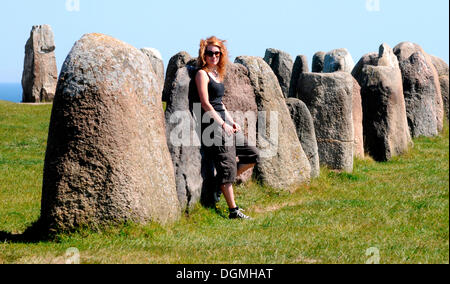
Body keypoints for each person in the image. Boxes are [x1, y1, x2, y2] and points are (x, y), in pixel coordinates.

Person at [195, 36, 260, 220]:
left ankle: (218, 184)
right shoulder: (202, 74)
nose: (213, 56)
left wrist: (231, 121)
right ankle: (233, 211)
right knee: (226, 166)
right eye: (209, 53)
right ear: (204, 54)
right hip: (213, 126)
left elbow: (220, 103)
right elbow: (206, 104)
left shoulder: (217, 73)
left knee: (253, 154)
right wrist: (221, 124)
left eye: (217, 53)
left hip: (225, 124)